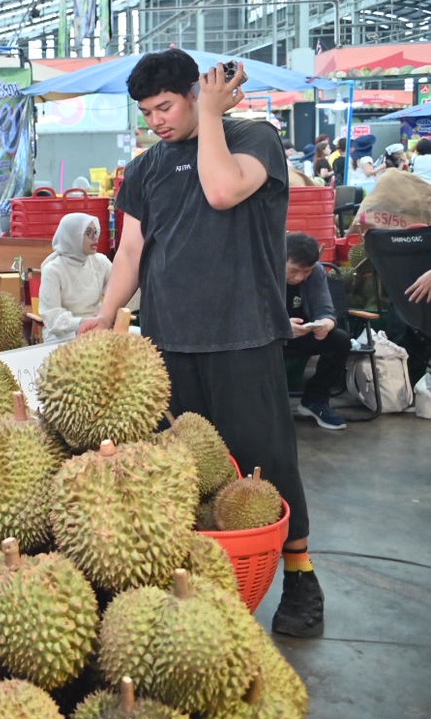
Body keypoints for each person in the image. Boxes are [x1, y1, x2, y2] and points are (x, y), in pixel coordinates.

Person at [81, 48, 324, 639]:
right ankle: (202, 579)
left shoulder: (254, 139)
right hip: (170, 340)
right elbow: (134, 252)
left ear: (197, 93)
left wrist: (213, 117)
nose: (156, 121)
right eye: (146, 112)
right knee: (183, 471)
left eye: (165, 106)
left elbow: (220, 191)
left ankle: (300, 574)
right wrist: (105, 311)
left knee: (264, 460)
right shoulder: (145, 170)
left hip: (243, 335)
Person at [283, 232, 350, 430]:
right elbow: (249, 315)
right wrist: (282, 326)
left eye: (306, 271)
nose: (300, 277)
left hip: (303, 333)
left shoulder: (317, 272)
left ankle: (316, 400)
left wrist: (326, 323)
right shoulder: (263, 270)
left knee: (340, 340)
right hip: (268, 337)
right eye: (294, 270)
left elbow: (325, 308)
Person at [38, 212, 111, 342]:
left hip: (97, 328)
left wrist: (105, 317)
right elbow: (52, 317)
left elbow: (117, 290)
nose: (95, 238)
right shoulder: (53, 270)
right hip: (63, 336)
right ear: (72, 236)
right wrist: (81, 322)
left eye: (96, 232)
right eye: (88, 233)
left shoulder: (101, 262)